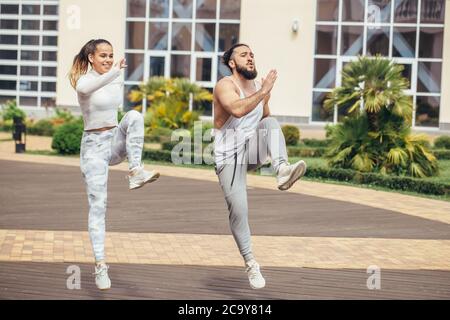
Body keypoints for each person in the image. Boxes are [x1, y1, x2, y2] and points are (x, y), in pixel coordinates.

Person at [213, 43, 307, 289]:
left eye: (252, 54)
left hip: (249, 151)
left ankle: (283, 170)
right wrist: (264, 90)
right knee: (239, 209)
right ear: (232, 63)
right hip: (228, 158)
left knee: (271, 122)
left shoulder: (257, 87)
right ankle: (251, 262)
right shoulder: (225, 85)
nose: (250, 58)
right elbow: (237, 109)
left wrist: (264, 93)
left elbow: (264, 118)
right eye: (244, 55)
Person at [69, 39, 160, 290]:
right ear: (91, 57)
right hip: (93, 148)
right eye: (103, 56)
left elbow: (113, 97)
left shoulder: (113, 76)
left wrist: (115, 73)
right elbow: (93, 87)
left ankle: (135, 171)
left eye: (111, 55)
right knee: (98, 207)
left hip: (114, 141)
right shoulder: (84, 81)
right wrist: (115, 72)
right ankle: (100, 265)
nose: (108, 59)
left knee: (134, 116)